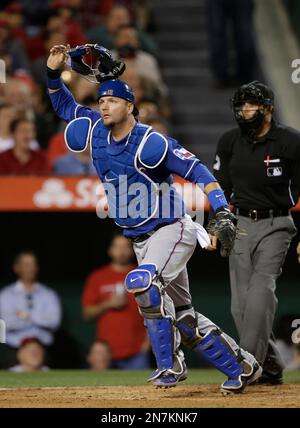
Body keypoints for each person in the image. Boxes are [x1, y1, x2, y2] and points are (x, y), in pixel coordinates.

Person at [46, 44, 262, 394]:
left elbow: (199, 170)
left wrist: (221, 208)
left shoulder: (150, 142)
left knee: (141, 283)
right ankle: (241, 365)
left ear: (130, 106)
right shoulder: (93, 129)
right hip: (140, 238)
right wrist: (53, 73)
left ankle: (169, 365)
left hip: (172, 228)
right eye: (101, 100)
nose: (103, 105)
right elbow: (64, 104)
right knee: (184, 318)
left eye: (112, 101)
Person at [212, 80, 300, 384]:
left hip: (277, 223)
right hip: (239, 226)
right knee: (240, 307)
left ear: (268, 108)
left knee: (262, 289)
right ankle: (272, 364)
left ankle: (245, 365)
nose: (245, 111)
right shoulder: (228, 141)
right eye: (242, 105)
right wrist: (216, 224)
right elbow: (219, 189)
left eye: (252, 105)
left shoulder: (290, 142)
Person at [82, 233, 150, 369]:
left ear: (132, 250)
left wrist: (147, 344)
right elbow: (87, 314)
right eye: (117, 247)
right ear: (110, 250)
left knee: (140, 390)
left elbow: (155, 311)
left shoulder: (142, 274)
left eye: (125, 247)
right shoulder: (98, 277)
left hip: (136, 352)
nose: (121, 251)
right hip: (105, 354)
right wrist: (108, 303)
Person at [0, 250, 62, 367]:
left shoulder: (48, 294)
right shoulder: (5, 295)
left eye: (33, 264)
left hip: (44, 351)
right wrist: (39, 318)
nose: (30, 268)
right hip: (14, 351)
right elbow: (6, 324)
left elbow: (54, 323)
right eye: (26, 264)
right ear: (16, 268)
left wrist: (26, 316)